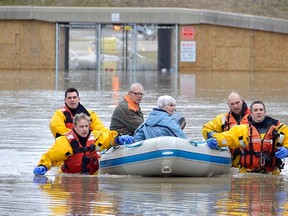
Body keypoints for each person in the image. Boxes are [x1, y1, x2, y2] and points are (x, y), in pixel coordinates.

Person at [33, 113, 134, 175]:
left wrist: (118, 138)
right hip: (69, 179)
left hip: (91, 178)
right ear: (75, 127)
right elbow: (50, 157)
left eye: (86, 126)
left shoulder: (96, 137)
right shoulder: (65, 142)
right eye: (81, 126)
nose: (85, 129)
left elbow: (108, 139)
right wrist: (43, 166)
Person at [207, 100, 288, 174]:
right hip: (247, 173)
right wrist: (216, 140)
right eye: (255, 110)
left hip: (272, 173)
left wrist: (287, 150)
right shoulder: (242, 130)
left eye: (261, 110)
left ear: (265, 112)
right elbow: (227, 137)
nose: (258, 112)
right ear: (251, 113)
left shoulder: (279, 128)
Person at [202, 91, 250, 167]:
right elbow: (206, 129)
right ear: (228, 105)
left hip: (248, 160)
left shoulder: (253, 117)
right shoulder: (223, 119)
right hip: (230, 160)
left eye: (237, 102)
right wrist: (212, 137)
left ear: (242, 101)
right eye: (232, 104)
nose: (235, 106)